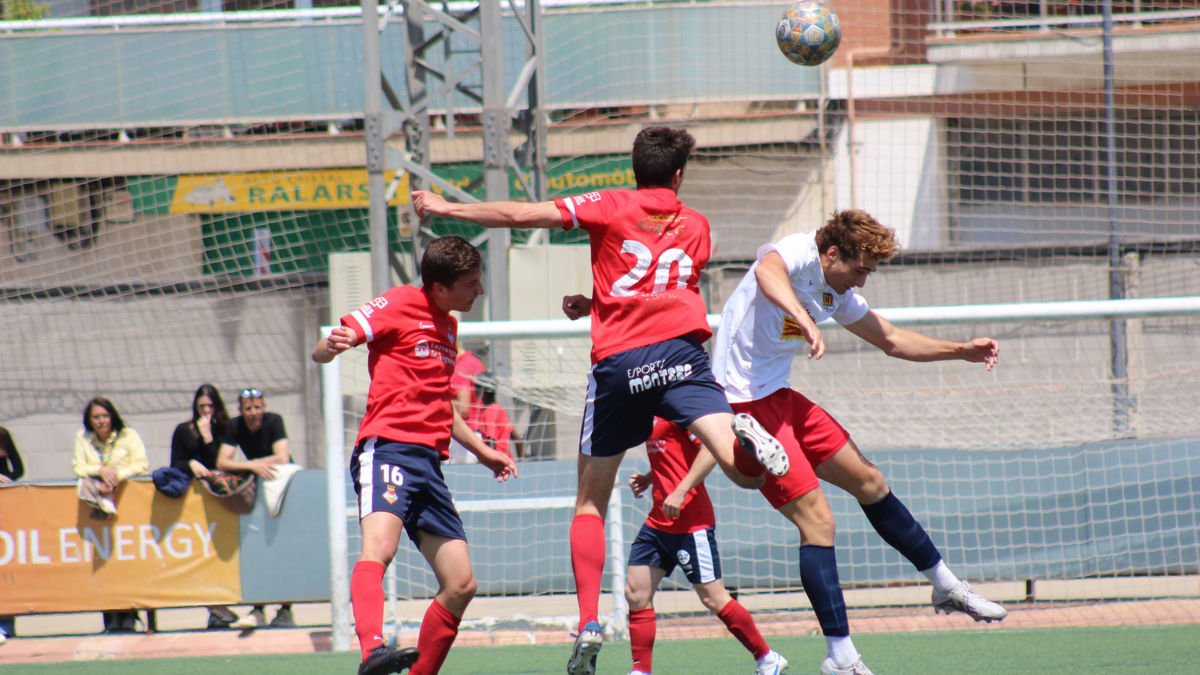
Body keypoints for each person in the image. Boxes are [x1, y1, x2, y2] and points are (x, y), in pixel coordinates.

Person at [412, 125, 788, 675]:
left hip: (620, 365)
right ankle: (749, 440)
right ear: (678, 176)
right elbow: (663, 285)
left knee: (590, 503)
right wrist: (599, 300)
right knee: (745, 471)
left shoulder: (608, 204)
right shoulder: (699, 225)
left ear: (633, 168)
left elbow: (522, 217)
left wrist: (447, 206)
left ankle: (588, 619)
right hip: (682, 357)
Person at [709, 210, 1008, 675]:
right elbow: (767, 270)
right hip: (742, 402)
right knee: (819, 523)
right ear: (832, 254)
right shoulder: (798, 251)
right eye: (861, 270)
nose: (863, 282)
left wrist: (959, 350)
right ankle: (841, 658)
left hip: (781, 397)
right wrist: (804, 321)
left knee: (869, 481)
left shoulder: (836, 289)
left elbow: (889, 338)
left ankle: (947, 586)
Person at [311, 235, 518, 675]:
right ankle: (371, 653)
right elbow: (330, 344)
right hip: (387, 449)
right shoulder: (401, 302)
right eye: (471, 284)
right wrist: (330, 346)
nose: (479, 290)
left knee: (461, 583)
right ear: (440, 288)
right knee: (379, 549)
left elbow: (442, 402)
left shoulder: (450, 326)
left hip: (429, 465)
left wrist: (483, 451)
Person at [625, 418, 788, 675]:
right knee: (636, 594)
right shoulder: (649, 408)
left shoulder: (678, 409)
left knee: (714, 599)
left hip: (691, 524)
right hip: (658, 523)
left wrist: (680, 490)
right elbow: (674, 455)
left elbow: (710, 450)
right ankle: (641, 671)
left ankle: (768, 658)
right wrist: (649, 478)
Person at [217, 388, 296, 630]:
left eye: (257, 407)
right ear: (241, 411)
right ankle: (258, 609)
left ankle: (285, 609)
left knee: (283, 549)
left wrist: (249, 465)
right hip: (257, 486)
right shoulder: (235, 425)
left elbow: (282, 457)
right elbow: (221, 462)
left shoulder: (274, 421)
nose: (254, 413)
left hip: (281, 487)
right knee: (257, 548)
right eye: (249, 409)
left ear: (264, 407)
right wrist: (252, 467)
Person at [71, 396, 150, 633]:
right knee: (103, 563)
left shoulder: (129, 435)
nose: (101, 421)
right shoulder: (82, 438)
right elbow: (78, 467)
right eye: (96, 417)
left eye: (105, 416)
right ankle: (110, 616)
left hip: (127, 506)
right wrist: (100, 471)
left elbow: (141, 465)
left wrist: (117, 476)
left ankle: (129, 613)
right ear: (89, 420)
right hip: (96, 508)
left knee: (127, 561)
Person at [170, 384, 245, 630]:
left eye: (210, 406)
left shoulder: (227, 428)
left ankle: (225, 607)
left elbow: (221, 462)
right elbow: (175, 462)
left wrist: (208, 438)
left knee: (224, 554)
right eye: (202, 406)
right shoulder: (183, 430)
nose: (206, 411)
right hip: (194, 503)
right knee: (200, 555)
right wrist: (191, 462)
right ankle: (215, 610)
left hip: (221, 500)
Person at [0, 426, 22, 643]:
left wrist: (6, 478)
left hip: (5, 522)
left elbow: (18, 470)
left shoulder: (5, 435)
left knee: (6, 575)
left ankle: (6, 625)